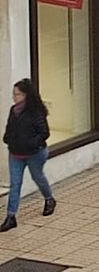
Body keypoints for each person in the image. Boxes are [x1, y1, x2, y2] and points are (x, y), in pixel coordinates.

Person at [3, 78, 55, 232]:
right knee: (15, 184)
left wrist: (32, 143)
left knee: (38, 177)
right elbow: (9, 128)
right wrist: (8, 139)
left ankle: (49, 198)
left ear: (25, 95)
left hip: (35, 153)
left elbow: (44, 132)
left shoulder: (36, 112)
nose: (14, 97)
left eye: (17, 94)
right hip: (15, 153)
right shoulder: (14, 111)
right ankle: (11, 216)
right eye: (13, 94)